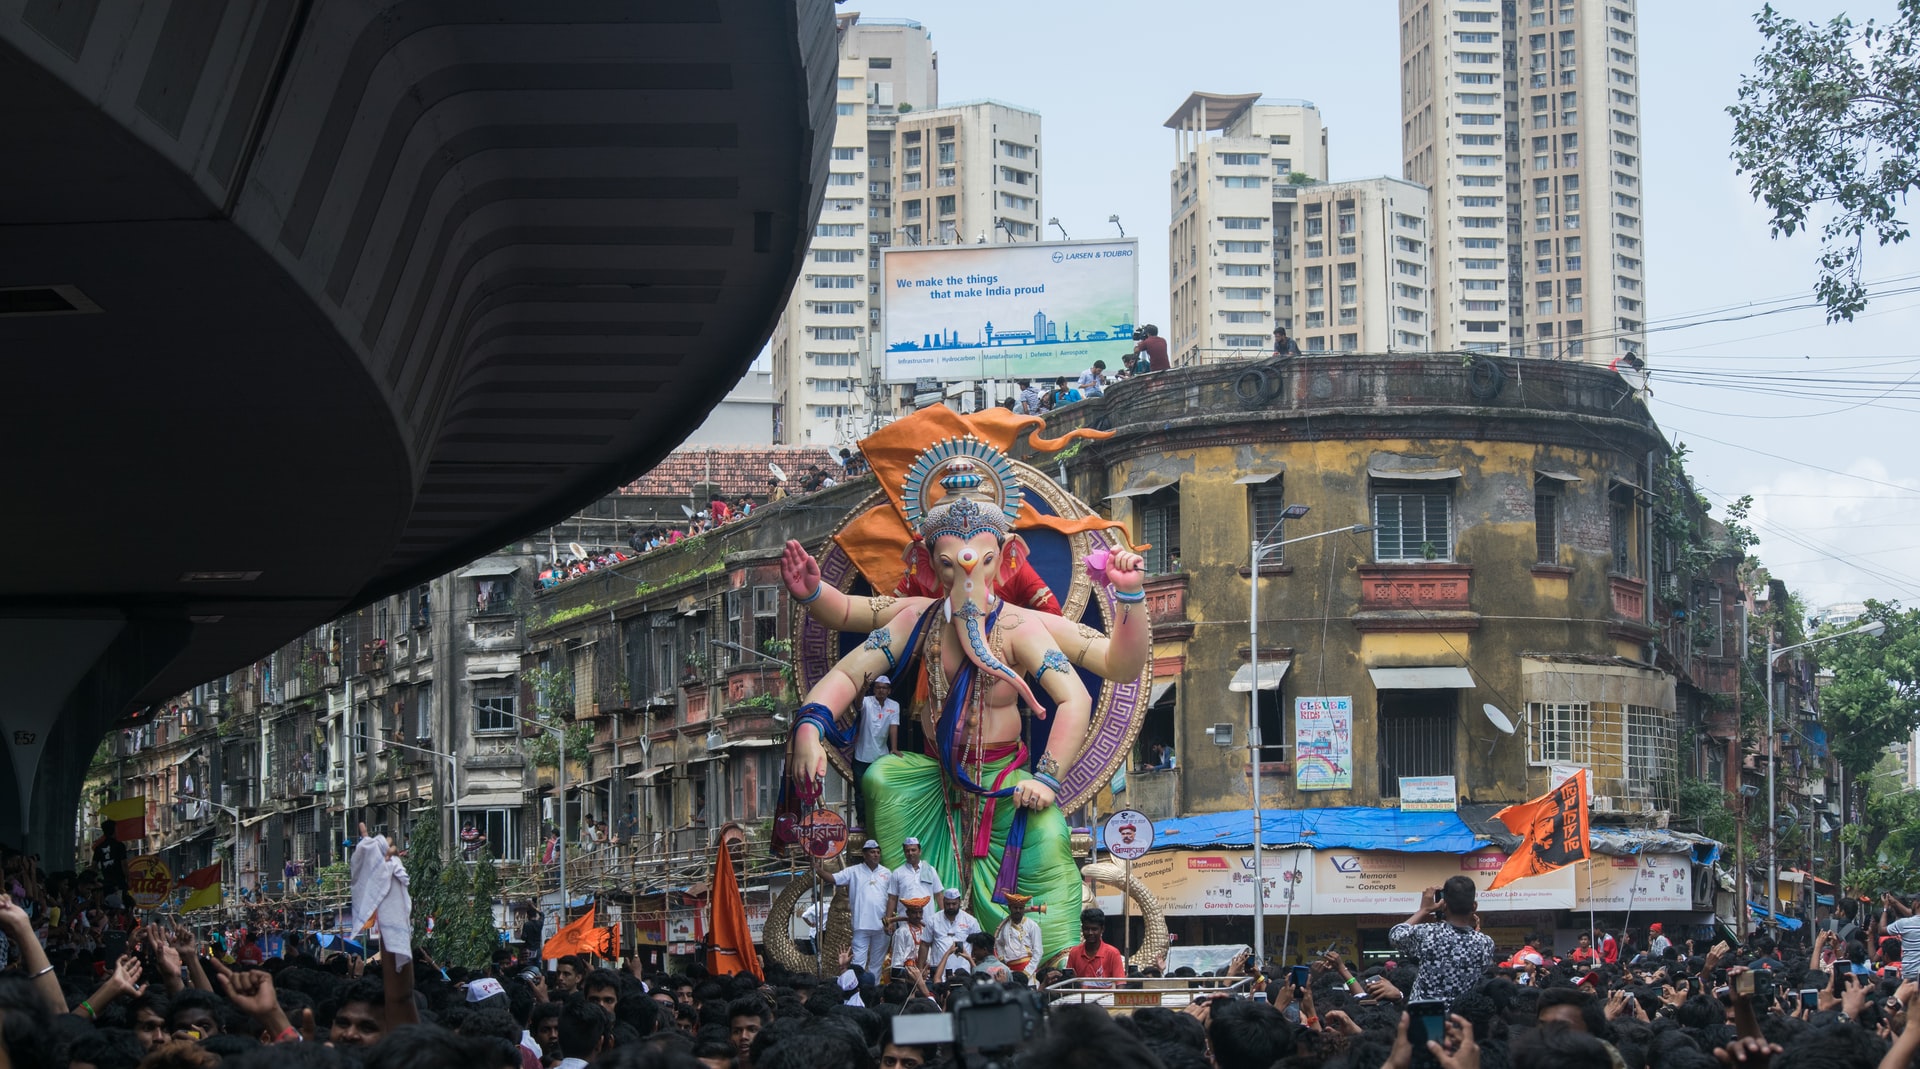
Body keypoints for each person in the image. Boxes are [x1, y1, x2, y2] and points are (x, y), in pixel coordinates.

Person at [1389, 876, 1494, 1006]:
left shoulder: (1428, 933)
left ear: (1444, 906)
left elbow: (1396, 935)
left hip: (1425, 1017)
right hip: (1461, 1018)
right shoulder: (1485, 943)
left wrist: (1424, 910)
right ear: (1474, 906)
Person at [819, 840, 892, 975]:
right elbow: (833, 879)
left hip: (881, 926)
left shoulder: (887, 873)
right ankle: (856, 990)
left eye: (877, 852)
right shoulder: (853, 871)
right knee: (858, 963)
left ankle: (872, 993)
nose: (876, 855)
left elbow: (893, 898)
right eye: (872, 852)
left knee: (876, 964)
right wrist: (817, 869)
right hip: (861, 925)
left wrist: (890, 921)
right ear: (864, 854)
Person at [852, 677, 899, 830]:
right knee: (860, 791)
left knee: (881, 791)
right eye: (878, 687)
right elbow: (857, 704)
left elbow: (893, 727)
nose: (881, 690)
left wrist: (894, 748)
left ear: (889, 690)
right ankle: (862, 821)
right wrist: (863, 689)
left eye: (884, 688)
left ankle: (881, 821)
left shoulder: (894, 706)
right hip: (862, 755)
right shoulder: (866, 701)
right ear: (873, 689)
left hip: (881, 757)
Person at [923, 887, 982, 979]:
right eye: (948, 904)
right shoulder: (933, 920)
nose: (951, 907)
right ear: (943, 902)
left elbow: (979, 944)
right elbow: (924, 944)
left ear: (959, 902)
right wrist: (920, 969)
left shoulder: (971, 921)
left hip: (963, 973)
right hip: (938, 973)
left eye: (954, 904)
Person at [886, 836, 944, 927]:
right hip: (905, 921)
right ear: (904, 853)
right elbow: (892, 898)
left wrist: (944, 918)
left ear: (920, 851)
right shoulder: (897, 873)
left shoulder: (930, 870)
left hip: (927, 921)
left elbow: (939, 895)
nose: (910, 853)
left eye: (913, 850)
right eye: (907, 850)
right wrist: (888, 920)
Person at [1064, 907, 1125, 986]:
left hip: (1106, 997)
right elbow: (1069, 982)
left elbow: (1120, 984)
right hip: (1080, 997)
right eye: (1086, 929)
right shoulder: (1074, 952)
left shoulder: (1113, 953)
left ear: (1102, 929)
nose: (1090, 933)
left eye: (1094, 929)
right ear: (1082, 929)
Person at [993, 892, 1044, 975]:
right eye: (1015, 908)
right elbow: (999, 943)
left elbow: (1038, 951)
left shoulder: (1032, 925)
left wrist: (1027, 971)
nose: (1018, 910)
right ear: (1010, 908)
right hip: (1009, 969)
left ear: (1024, 909)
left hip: (1027, 968)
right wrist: (1002, 959)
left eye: (1021, 908)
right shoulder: (1005, 926)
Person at [890, 897, 931, 979]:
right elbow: (897, 964)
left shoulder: (925, 931)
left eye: (920, 912)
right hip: (907, 976)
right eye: (914, 913)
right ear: (907, 913)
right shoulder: (901, 932)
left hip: (926, 974)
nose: (918, 916)